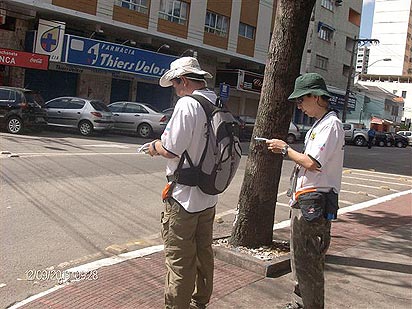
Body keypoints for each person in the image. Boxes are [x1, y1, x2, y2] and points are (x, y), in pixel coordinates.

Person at [265, 73, 345, 309]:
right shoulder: (320, 125)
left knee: (308, 263)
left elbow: (312, 162)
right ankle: (300, 303)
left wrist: (284, 149)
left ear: (316, 96)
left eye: (302, 99)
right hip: (306, 200)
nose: (299, 105)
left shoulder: (331, 125)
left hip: (314, 203)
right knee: (300, 261)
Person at [148, 57, 218, 309]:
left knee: (179, 259)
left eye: (175, 84)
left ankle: (177, 306)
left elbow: (171, 148)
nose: (175, 90)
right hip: (209, 194)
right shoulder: (215, 102)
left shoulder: (188, 104)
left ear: (184, 80)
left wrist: (155, 147)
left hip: (183, 197)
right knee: (203, 254)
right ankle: (200, 303)